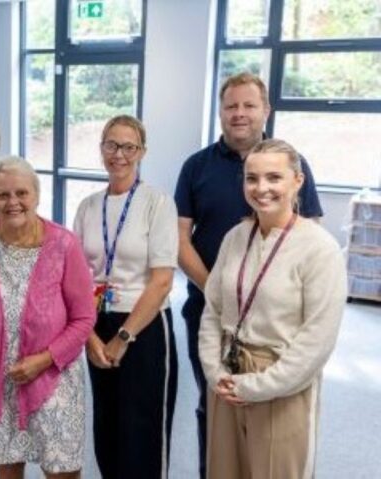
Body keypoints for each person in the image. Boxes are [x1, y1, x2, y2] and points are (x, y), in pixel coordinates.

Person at [173, 72, 323, 477]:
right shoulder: (196, 167)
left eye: (249, 105)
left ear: (265, 110)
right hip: (210, 310)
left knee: (276, 434)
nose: (239, 113)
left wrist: (248, 297)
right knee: (215, 403)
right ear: (221, 111)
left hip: (276, 325)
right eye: (231, 106)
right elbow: (180, 239)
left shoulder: (292, 162)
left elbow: (310, 238)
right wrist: (222, 292)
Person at [199, 138, 346, 478]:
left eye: (274, 178)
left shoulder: (319, 249)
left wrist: (258, 386)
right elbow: (213, 310)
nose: (261, 188)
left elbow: (316, 342)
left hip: (282, 382)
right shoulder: (236, 237)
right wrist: (214, 371)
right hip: (227, 375)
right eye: (252, 178)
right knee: (224, 471)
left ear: (297, 181)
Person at [0, 156, 96, 479]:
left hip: (53, 378)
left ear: (36, 195)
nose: (13, 202)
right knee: (8, 470)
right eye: (2, 195)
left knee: (63, 471)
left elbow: (84, 319)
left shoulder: (64, 244)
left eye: (21, 193)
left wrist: (43, 360)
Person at [73, 115, 178, 478]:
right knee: (107, 424)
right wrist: (87, 335)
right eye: (111, 145)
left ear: (141, 152)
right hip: (97, 322)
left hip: (143, 326)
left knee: (142, 430)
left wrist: (123, 337)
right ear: (101, 148)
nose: (119, 154)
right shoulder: (88, 206)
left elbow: (162, 281)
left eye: (128, 146)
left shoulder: (158, 203)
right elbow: (77, 279)